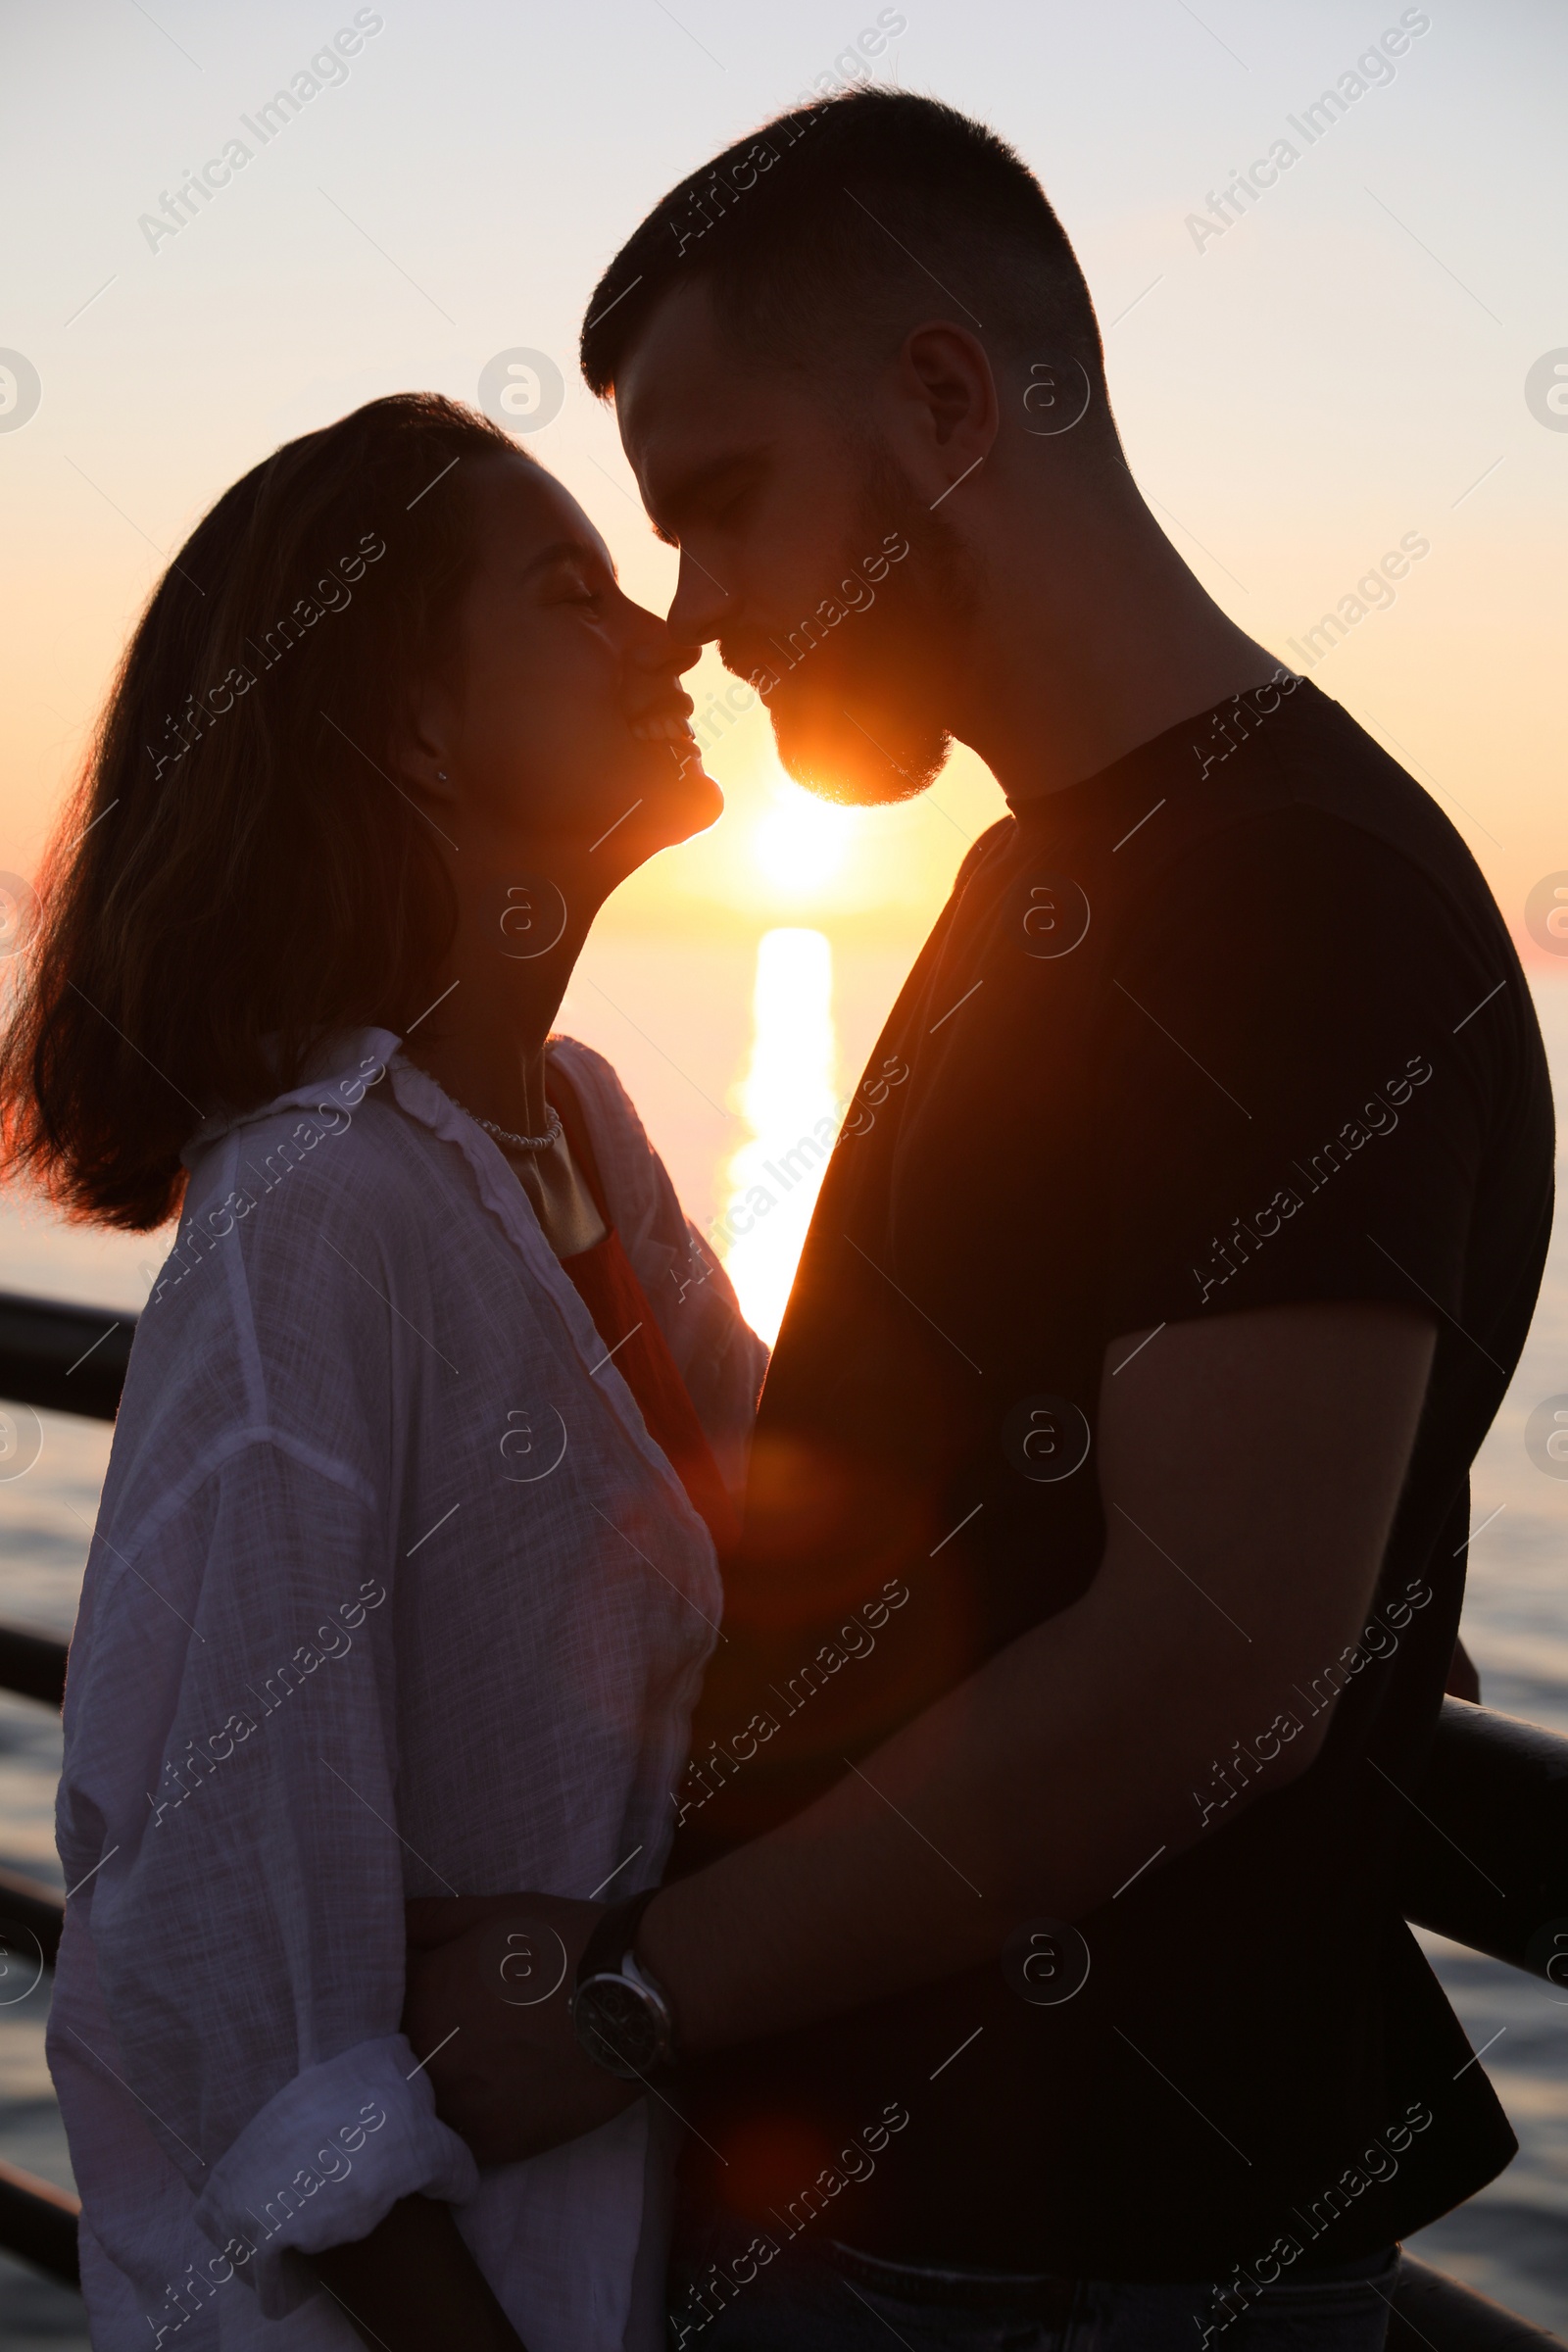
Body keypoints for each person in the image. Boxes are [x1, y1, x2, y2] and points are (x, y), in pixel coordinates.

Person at [403, 91, 1555, 2352]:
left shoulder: (1278, 895)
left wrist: (613, 2004)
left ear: (943, 402)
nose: (694, 612)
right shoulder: (1059, 876)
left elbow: (1203, 1673)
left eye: (719, 505)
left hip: (1055, 2262)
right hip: (913, 2226)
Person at [0, 392, 766, 2351]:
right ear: (419, 733)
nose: (663, 631)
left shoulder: (572, 1132)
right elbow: (226, 1980)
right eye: (569, 596)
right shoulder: (321, 1226)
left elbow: (809, 1540)